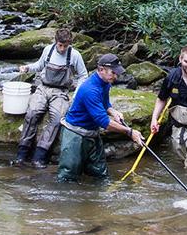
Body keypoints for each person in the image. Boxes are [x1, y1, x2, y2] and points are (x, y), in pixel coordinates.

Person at [57, 54, 145, 183]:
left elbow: (104, 104)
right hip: (75, 135)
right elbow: (104, 122)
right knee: (67, 177)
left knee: (101, 174)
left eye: (117, 73)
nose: (115, 76)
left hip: (92, 133)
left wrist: (113, 112)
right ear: (101, 69)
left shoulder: (105, 83)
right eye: (113, 72)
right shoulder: (90, 89)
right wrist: (129, 132)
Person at [14, 29, 89, 169]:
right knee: (32, 113)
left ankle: (40, 155)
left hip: (60, 92)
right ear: (55, 41)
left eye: (65, 46)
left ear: (69, 44)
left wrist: (77, 94)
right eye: (60, 45)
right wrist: (27, 68)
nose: (62, 49)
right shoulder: (48, 50)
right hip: (42, 88)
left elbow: (83, 76)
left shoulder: (74, 55)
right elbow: (39, 65)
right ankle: (21, 154)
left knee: (57, 118)